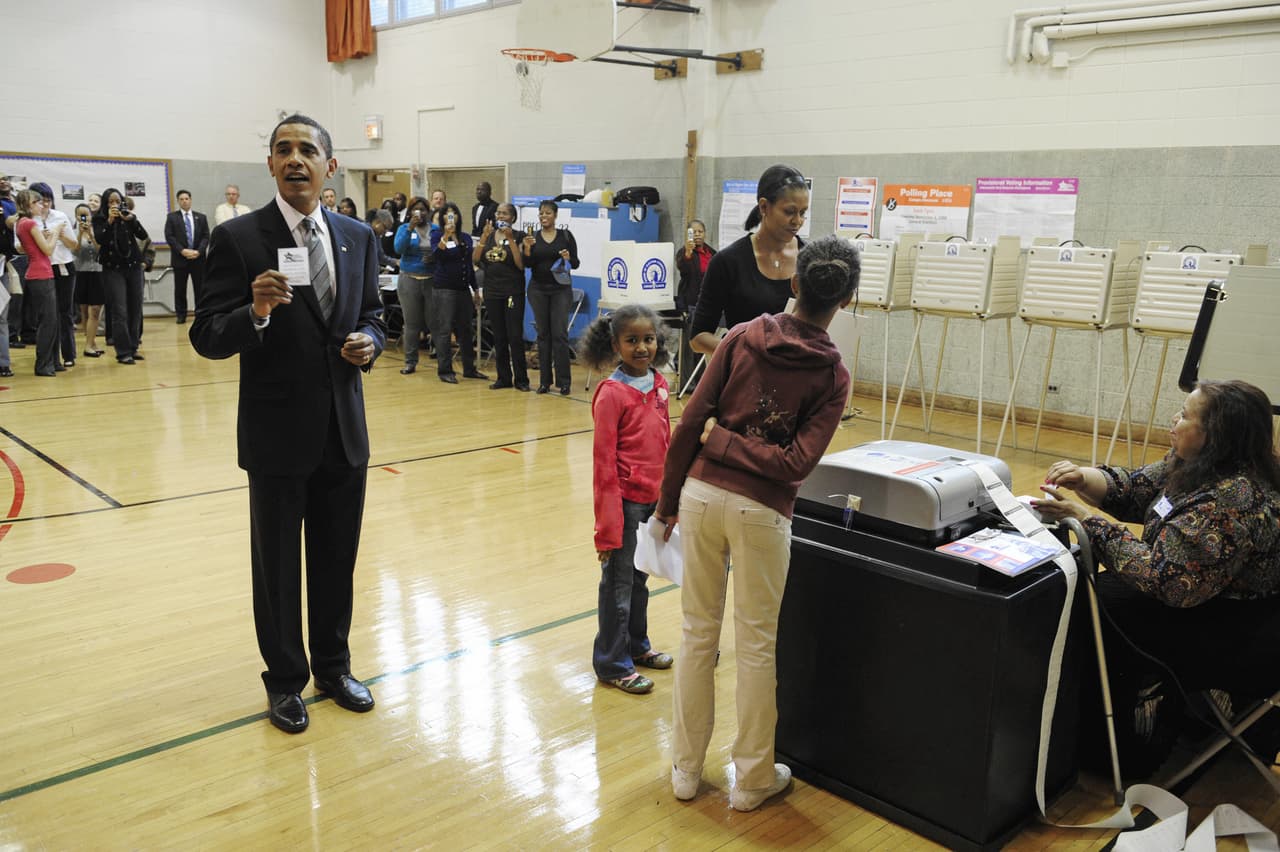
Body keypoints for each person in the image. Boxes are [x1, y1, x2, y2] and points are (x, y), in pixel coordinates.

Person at [190, 114, 386, 735]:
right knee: (277, 570)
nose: (295, 159)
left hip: (344, 432)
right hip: (277, 437)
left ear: (330, 165)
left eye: (308, 149)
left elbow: (378, 315)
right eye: (283, 150)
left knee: (337, 558)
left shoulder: (356, 236)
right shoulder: (242, 238)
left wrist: (370, 342)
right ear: (270, 166)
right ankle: (284, 682)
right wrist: (255, 311)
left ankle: (334, 666)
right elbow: (206, 335)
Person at [656, 234, 859, 811]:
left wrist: (674, 496)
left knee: (697, 635)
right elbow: (792, 464)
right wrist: (734, 451)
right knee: (756, 645)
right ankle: (751, 780)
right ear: (845, 301)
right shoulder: (833, 375)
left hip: (698, 496)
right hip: (763, 512)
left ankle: (686, 771)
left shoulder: (742, 336)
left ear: (793, 285)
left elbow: (691, 425)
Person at [1033, 380, 1280, 775]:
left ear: (1214, 434)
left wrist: (1090, 523)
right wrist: (1085, 477)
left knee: (1094, 611)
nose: (1174, 420)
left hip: (1237, 633)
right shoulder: (1205, 464)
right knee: (1096, 595)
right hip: (1208, 599)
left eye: (1185, 416)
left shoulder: (1229, 500)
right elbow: (1138, 487)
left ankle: (1115, 751)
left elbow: (1169, 583)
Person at [579, 304, 676, 695]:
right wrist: (606, 529)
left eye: (648, 339)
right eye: (631, 340)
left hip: (654, 500)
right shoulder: (611, 394)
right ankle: (612, 663)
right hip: (623, 503)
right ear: (614, 344)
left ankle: (637, 647)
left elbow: (666, 443)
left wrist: (671, 497)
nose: (641, 347)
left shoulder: (660, 384)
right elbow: (603, 464)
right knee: (618, 585)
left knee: (639, 580)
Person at [689, 165, 808, 357]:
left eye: (803, 213)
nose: (797, 221)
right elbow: (698, 337)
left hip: (797, 377)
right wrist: (744, 352)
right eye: (789, 212)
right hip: (746, 376)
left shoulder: (810, 260)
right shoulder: (727, 261)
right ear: (764, 207)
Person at [522, 199, 579, 395]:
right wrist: (527, 249)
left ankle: (564, 382)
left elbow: (576, 263)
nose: (543, 216)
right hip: (538, 289)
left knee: (560, 335)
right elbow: (527, 263)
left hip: (560, 289)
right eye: (541, 213)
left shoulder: (565, 236)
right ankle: (545, 381)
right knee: (543, 335)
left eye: (547, 213)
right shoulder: (533, 237)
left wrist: (567, 258)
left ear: (555, 215)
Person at [474, 203, 529, 391]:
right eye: (499, 213)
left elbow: (521, 265)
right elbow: (475, 259)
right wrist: (483, 236)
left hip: (512, 292)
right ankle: (503, 377)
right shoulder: (489, 235)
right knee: (499, 336)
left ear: (513, 218)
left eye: (505, 213)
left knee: (514, 336)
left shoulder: (519, 236)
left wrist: (511, 239)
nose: (501, 216)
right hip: (492, 292)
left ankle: (521, 379)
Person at [429, 201, 486, 384]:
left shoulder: (466, 238)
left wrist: (475, 288)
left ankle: (469, 368)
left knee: (466, 330)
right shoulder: (436, 235)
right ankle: (445, 370)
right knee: (444, 330)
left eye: (454, 213)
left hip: (463, 289)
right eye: (447, 213)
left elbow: (468, 265)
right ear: (442, 217)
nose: (451, 216)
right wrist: (446, 235)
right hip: (444, 289)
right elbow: (437, 256)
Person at [9, 190, 65, 376]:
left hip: (38, 273)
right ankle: (43, 365)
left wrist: (49, 235)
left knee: (49, 320)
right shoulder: (30, 223)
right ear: (28, 205)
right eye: (37, 202)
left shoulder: (22, 223)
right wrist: (56, 232)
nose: (42, 205)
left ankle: (50, 362)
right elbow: (48, 250)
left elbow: (30, 248)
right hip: (40, 274)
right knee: (48, 321)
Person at [93, 188, 148, 365]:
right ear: (106, 204)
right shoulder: (99, 219)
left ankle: (133, 347)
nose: (115, 205)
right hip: (113, 269)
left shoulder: (128, 217)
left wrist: (132, 220)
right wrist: (109, 221)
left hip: (133, 266)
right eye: (111, 202)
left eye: (118, 201)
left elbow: (143, 235)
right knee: (120, 310)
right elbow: (100, 239)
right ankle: (123, 351)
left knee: (135, 308)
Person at [29, 183, 79, 369]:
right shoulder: (29, 220)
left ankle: (69, 354)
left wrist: (57, 236)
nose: (46, 203)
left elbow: (74, 244)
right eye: (42, 200)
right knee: (48, 315)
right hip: (43, 269)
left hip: (64, 266)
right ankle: (51, 357)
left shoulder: (60, 216)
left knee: (65, 312)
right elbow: (20, 246)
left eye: (49, 199)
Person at [392, 196, 436, 375]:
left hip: (431, 280)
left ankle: (443, 361)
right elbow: (398, 249)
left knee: (436, 323)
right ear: (410, 212)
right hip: (409, 279)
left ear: (428, 211)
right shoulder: (404, 228)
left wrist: (434, 257)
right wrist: (410, 227)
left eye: (423, 209)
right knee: (412, 324)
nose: (420, 213)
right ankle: (410, 361)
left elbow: (443, 251)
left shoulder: (436, 229)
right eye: (416, 210)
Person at [163, 190, 210, 324]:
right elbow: (169, 236)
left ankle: (201, 313)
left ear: (190, 200)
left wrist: (198, 252)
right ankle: (181, 314)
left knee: (200, 288)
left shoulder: (201, 217)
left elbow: (206, 236)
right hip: (180, 259)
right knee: (180, 289)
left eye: (187, 198)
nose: (184, 201)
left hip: (198, 259)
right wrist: (182, 251)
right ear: (178, 201)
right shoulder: (172, 217)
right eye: (181, 199)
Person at [71, 203, 105, 357]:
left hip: (97, 273)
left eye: (86, 214)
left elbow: (101, 251)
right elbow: (75, 252)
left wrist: (91, 235)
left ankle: (89, 345)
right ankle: (90, 341)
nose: (83, 217)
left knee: (95, 309)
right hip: (81, 273)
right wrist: (79, 234)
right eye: (80, 215)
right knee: (84, 311)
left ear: (91, 215)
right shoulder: (72, 230)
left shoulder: (98, 230)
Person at [674, 219, 716, 315]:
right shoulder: (683, 252)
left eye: (700, 231)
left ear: (705, 234)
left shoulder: (712, 253)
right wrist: (688, 253)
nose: (697, 234)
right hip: (690, 302)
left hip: (709, 301)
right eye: (693, 232)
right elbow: (683, 269)